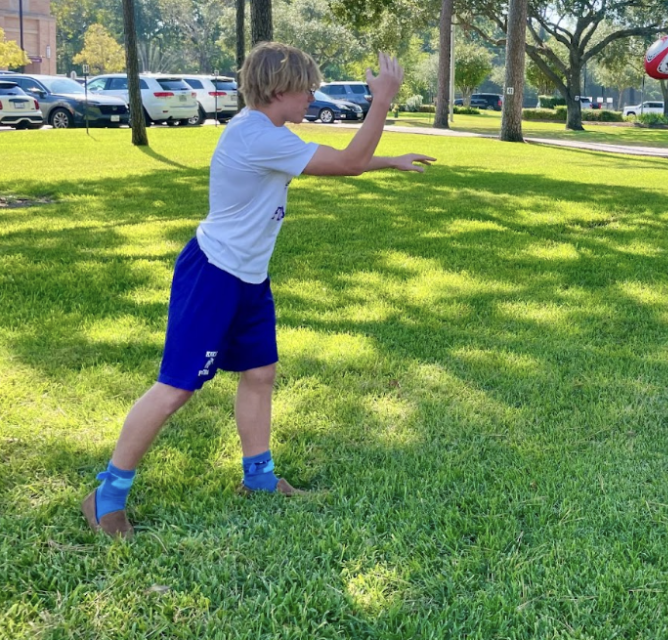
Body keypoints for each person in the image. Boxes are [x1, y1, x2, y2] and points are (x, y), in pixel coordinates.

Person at [83, 43, 436, 538]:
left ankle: (260, 479)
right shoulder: (256, 136)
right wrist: (382, 101)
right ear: (277, 90)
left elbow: (343, 161)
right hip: (214, 274)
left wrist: (390, 160)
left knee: (259, 373)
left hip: (249, 275)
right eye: (306, 88)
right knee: (175, 388)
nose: (313, 96)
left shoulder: (269, 132)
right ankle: (106, 496)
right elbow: (350, 163)